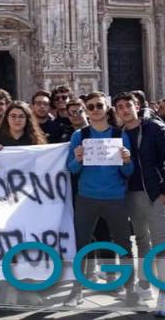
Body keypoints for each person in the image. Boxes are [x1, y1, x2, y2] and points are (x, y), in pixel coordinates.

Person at [64, 92, 137, 307]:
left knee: (123, 245)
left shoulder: (118, 134)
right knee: (81, 245)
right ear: (86, 110)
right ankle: (77, 289)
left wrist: (126, 160)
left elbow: (128, 172)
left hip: (115, 198)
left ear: (107, 109)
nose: (95, 110)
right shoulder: (80, 135)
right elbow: (71, 169)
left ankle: (130, 289)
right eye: (91, 107)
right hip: (87, 198)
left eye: (99, 106)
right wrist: (77, 158)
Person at [113, 92, 165, 317]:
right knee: (141, 241)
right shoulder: (117, 134)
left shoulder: (154, 127)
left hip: (153, 194)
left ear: (137, 106)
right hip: (130, 195)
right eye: (120, 107)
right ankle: (144, 285)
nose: (124, 110)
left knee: (160, 243)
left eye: (128, 105)